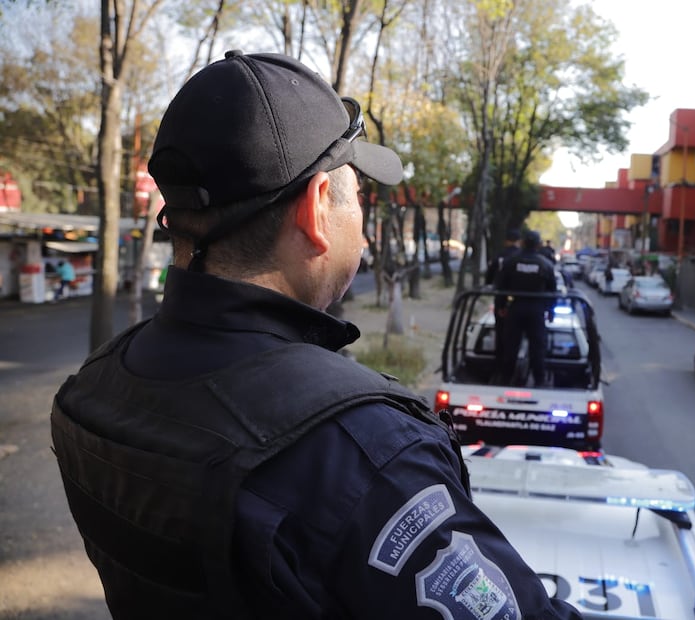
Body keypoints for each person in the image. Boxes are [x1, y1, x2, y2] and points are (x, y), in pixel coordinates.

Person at [50, 51, 581, 620]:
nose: (365, 224)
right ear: (315, 207)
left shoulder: (92, 389)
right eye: (357, 194)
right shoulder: (365, 455)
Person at [494, 229, 558, 387]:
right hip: (536, 310)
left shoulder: (511, 262)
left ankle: (505, 379)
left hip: (515, 308)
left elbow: (500, 287)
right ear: (538, 245)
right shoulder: (546, 264)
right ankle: (539, 381)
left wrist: (501, 306)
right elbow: (552, 291)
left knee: (510, 347)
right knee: (537, 349)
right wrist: (550, 311)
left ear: (522, 243)